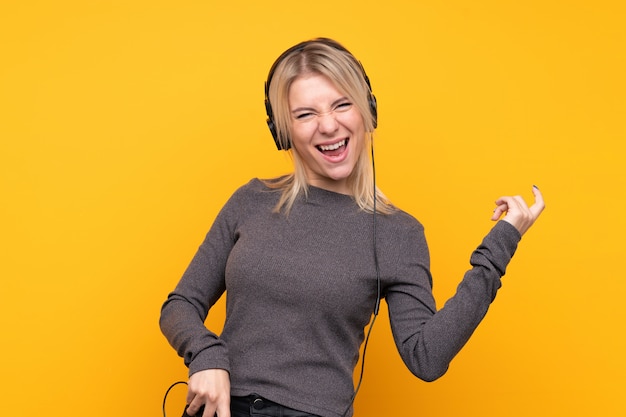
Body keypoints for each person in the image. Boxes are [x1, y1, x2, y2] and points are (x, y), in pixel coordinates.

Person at [159, 37, 545, 417]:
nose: (328, 125)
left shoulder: (399, 233)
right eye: (305, 114)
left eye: (342, 105)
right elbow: (179, 305)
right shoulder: (251, 200)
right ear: (283, 131)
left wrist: (498, 250)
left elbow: (426, 357)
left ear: (367, 112)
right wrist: (206, 355)